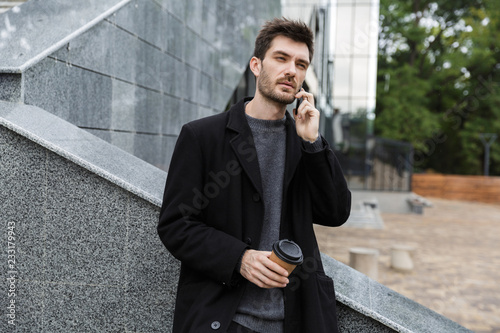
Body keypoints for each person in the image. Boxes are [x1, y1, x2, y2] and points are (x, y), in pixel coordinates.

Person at [158, 18, 351, 333]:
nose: (291, 70)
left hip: (296, 320)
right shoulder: (202, 136)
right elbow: (175, 225)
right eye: (281, 58)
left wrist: (313, 145)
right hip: (225, 319)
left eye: (301, 64)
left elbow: (336, 212)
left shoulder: (305, 142)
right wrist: (239, 258)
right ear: (256, 65)